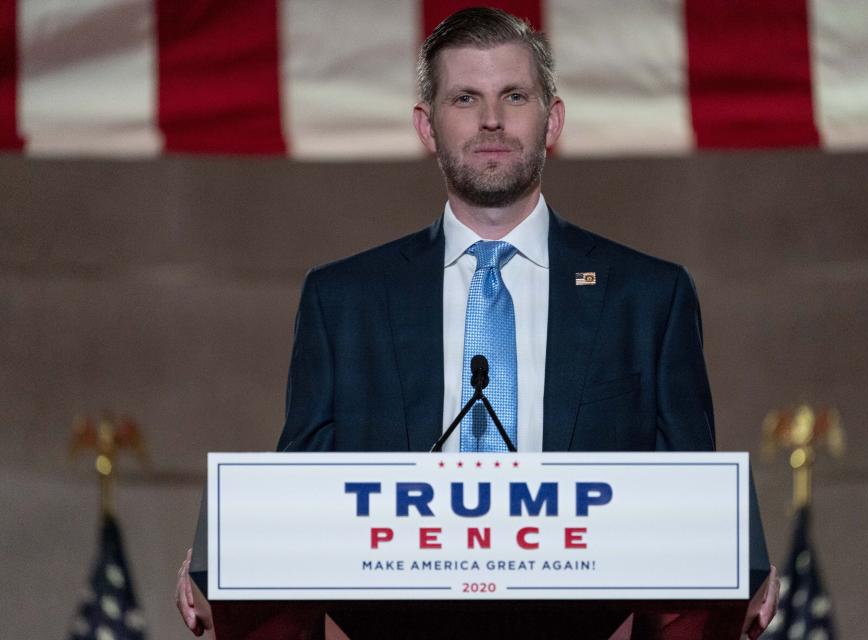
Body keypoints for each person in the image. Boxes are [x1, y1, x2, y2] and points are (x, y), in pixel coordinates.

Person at [176, 7, 779, 638]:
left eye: (514, 96)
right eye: (465, 98)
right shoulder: (343, 301)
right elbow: (297, 502)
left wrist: (740, 560)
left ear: (554, 119)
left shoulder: (649, 298)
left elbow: (692, 507)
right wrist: (226, 558)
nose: (491, 119)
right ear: (427, 127)